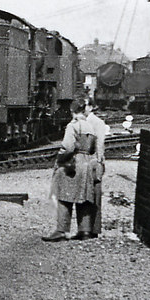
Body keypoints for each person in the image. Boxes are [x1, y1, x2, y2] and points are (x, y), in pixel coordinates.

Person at [42, 99, 100, 242]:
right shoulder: (90, 126)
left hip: (73, 163)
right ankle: (84, 230)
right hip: (86, 163)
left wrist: (61, 157)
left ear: (72, 111)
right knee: (84, 197)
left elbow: (68, 147)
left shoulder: (72, 126)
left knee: (63, 195)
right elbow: (93, 148)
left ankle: (61, 230)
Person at [84, 99, 108, 238]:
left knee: (95, 195)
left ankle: (94, 228)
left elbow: (100, 144)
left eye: (85, 106)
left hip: (93, 162)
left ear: (91, 107)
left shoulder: (97, 123)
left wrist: (99, 162)